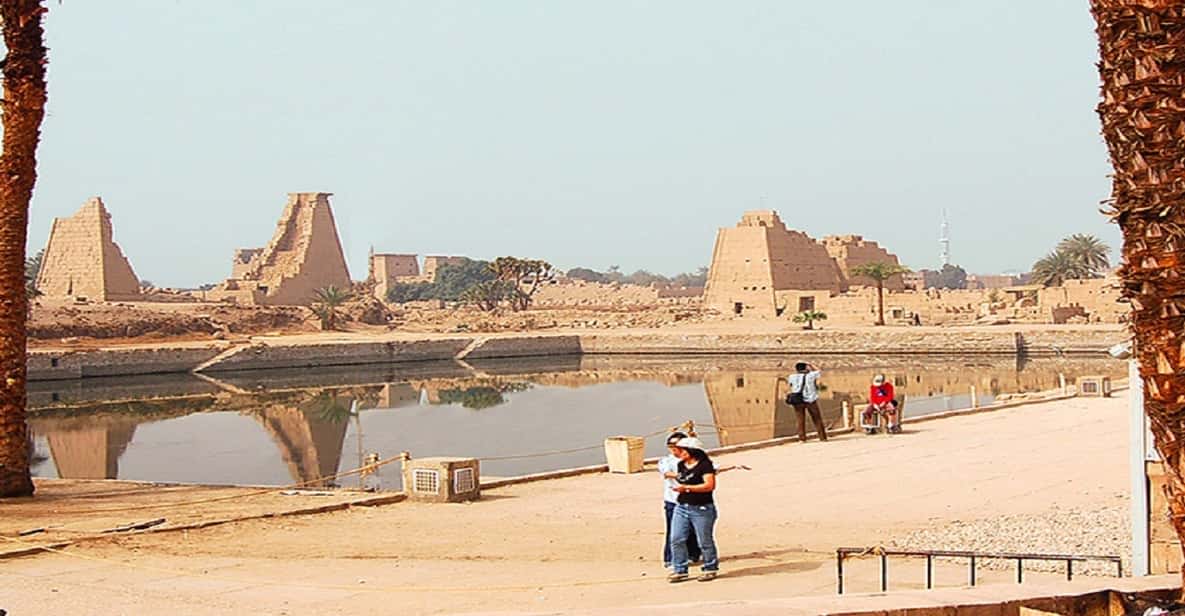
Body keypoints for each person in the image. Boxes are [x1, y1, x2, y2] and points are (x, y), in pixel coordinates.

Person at [665, 437, 719, 583]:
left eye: (682, 450)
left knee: (704, 541)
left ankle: (710, 567)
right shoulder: (681, 465)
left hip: (701, 508)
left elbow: (709, 485)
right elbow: (681, 478)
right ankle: (680, 569)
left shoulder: (705, 465)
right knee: (676, 538)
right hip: (682, 506)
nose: (679, 453)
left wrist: (687, 488)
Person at [659, 431, 701, 569]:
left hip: (692, 500)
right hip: (673, 501)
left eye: (676, 445)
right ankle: (671, 559)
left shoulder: (694, 459)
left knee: (693, 529)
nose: (674, 449)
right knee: (674, 532)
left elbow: (711, 468)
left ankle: (693, 554)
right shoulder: (666, 461)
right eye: (671, 446)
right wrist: (684, 475)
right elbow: (667, 473)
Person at [787, 362, 827, 442]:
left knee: (800, 420)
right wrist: (811, 366)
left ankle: (802, 438)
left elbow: (791, 385)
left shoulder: (792, 376)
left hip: (798, 400)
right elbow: (819, 371)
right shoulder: (811, 375)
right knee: (817, 419)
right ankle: (822, 437)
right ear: (806, 368)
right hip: (810, 400)